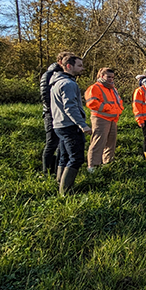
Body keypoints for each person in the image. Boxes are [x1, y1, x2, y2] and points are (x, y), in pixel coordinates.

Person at [49, 54, 91, 195]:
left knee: (64, 156)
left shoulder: (56, 82)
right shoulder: (68, 84)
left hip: (59, 125)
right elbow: (70, 107)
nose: (82, 68)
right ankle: (65, 192)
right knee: (76, 158)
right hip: (69, 126)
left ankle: (59, 184)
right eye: (79, 65)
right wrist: (82, 124)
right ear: (68, 66)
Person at [40, 51, 73, 176]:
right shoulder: (50, 74)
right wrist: (53, 110)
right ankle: (46, 171)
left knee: (62, 143)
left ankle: (57, 169)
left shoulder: (65, 75)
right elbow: (46, 95)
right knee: (52, 142)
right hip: (51, 113)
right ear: (60, 61)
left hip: (61, 113)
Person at [84, 68, 124, 172]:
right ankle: (93, 166)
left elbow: (118, 101)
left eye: (112, 77)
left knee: (111, 142)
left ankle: (108, 163)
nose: (111, 79)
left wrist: (119, 110)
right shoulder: (95, 87)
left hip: (113, 118)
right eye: (108, 77)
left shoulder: (112, 89)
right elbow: (91, 103)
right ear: (101, 76)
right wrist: (108, 108)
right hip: (100, 118)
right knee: (98, 142)